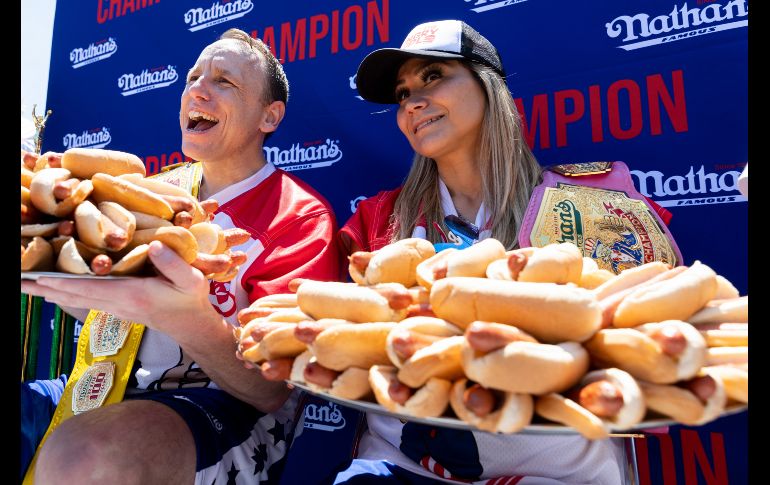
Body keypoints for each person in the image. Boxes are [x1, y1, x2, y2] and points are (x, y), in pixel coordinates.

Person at [333, 20, 652, 484]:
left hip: (562, 474)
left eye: (433, 76)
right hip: (398, 469)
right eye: (402, 94)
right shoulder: (377, 220)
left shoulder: (589, 202)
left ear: (488, 86)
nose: (413, 102)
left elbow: (645, 359)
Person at [21, 28, 341, 484]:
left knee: (85, 456)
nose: (198, 90)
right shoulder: (157, 191)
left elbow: (270, 392)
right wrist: (52, 280)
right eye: (193, 77)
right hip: (104, 385)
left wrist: (184, 316)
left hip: (230, 409)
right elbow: (106, 313)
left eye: (224, 82)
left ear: (269, 116)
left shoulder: (300, 216)